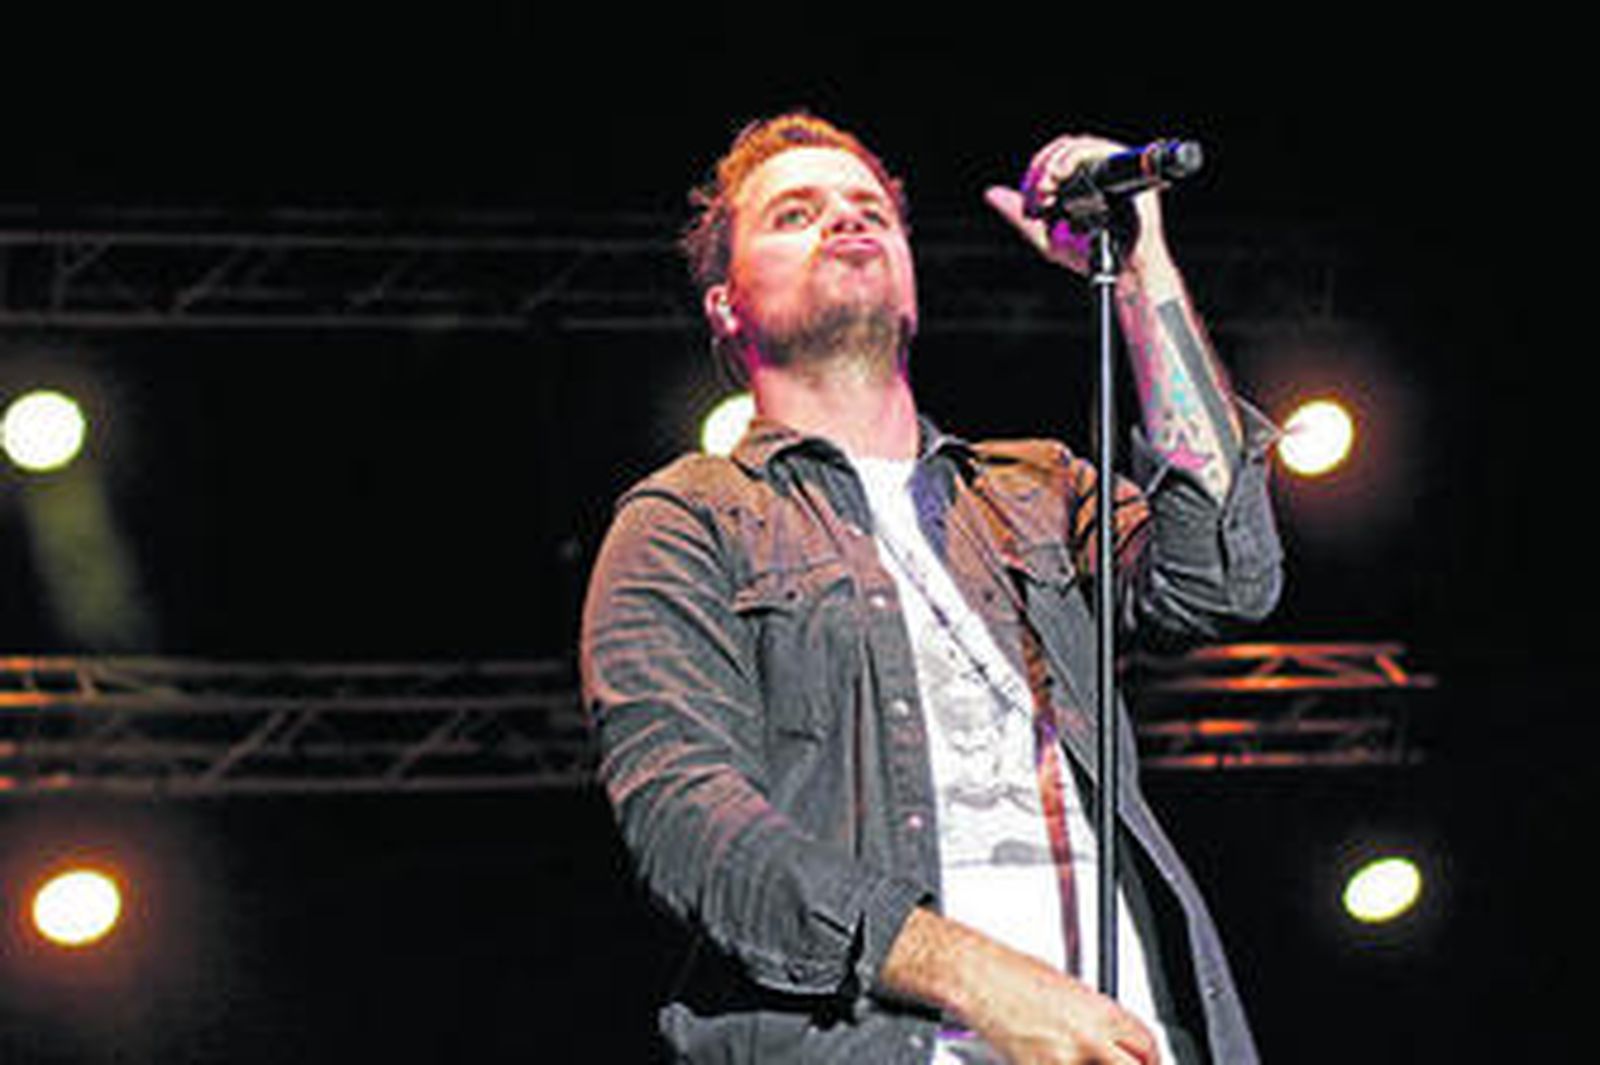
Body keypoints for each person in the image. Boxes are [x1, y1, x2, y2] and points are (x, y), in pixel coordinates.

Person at [580, 112, 1282, 1064]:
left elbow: (1224, 579)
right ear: (724, 305)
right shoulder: (686, 520)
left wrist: (1140, 264)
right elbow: (689, 822)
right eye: (796, 212)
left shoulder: (1036, 489)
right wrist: (983, 978)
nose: (845, 221)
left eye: (870, 207)